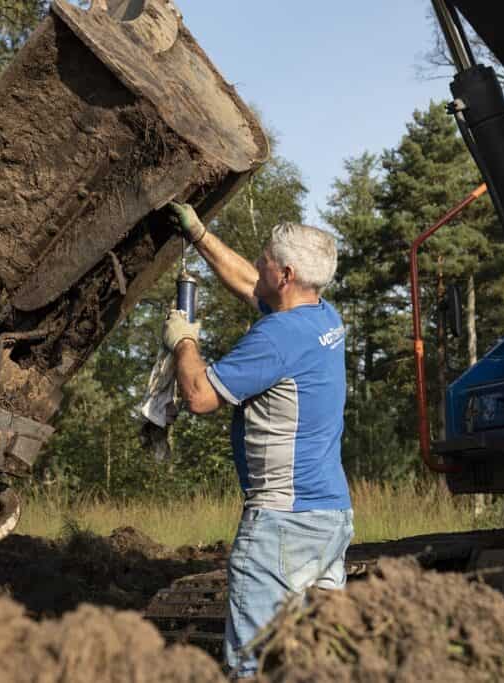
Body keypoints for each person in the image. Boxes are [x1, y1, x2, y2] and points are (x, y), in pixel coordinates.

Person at [162, 202, 354, 680]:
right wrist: (201, 236)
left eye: (266, 255)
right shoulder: (323, 317)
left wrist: (184, 341)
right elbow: (251, 282)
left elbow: (201, 396)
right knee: (313, 658)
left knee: (252, 663)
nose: (259, 259)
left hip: (281, 525)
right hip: (329, 517)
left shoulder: (277, 338)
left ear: (286, 274)